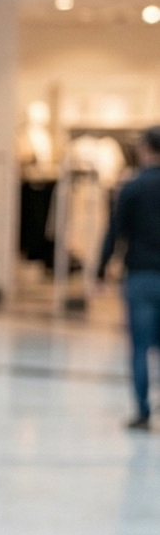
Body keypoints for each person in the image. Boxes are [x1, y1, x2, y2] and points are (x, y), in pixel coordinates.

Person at [99, 125, 160, 430]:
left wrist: (99, 269)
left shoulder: (133, 187)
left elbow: (115, 232)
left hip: (140, 277)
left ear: (146, 149)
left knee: (139, 347)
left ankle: (142, 411)